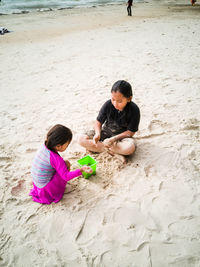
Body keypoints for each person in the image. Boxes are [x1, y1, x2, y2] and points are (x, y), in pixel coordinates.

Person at [29, 124, 92, 204]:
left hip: (37, 184)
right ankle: (57, 188)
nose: (68, 146)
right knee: (66, 164)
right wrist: (81, 170)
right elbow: (66, 177)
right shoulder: (56, 159)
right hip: (46, 189)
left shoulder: (44, 146)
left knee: (64, 164)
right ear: (58, 146)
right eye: (67, 144)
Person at [78, 80, 140, 160]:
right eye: (113, 99)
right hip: (106, 133)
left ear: (129, 99)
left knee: (129, 148)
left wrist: (113, 139)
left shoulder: (134, 109)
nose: (115, 104)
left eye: (119, 101)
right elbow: (98, 122)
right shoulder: (108, 104)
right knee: (81, 139)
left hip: (121, 139)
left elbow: (130, 132)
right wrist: (97, 133)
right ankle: (112, 152)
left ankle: (104, 150)